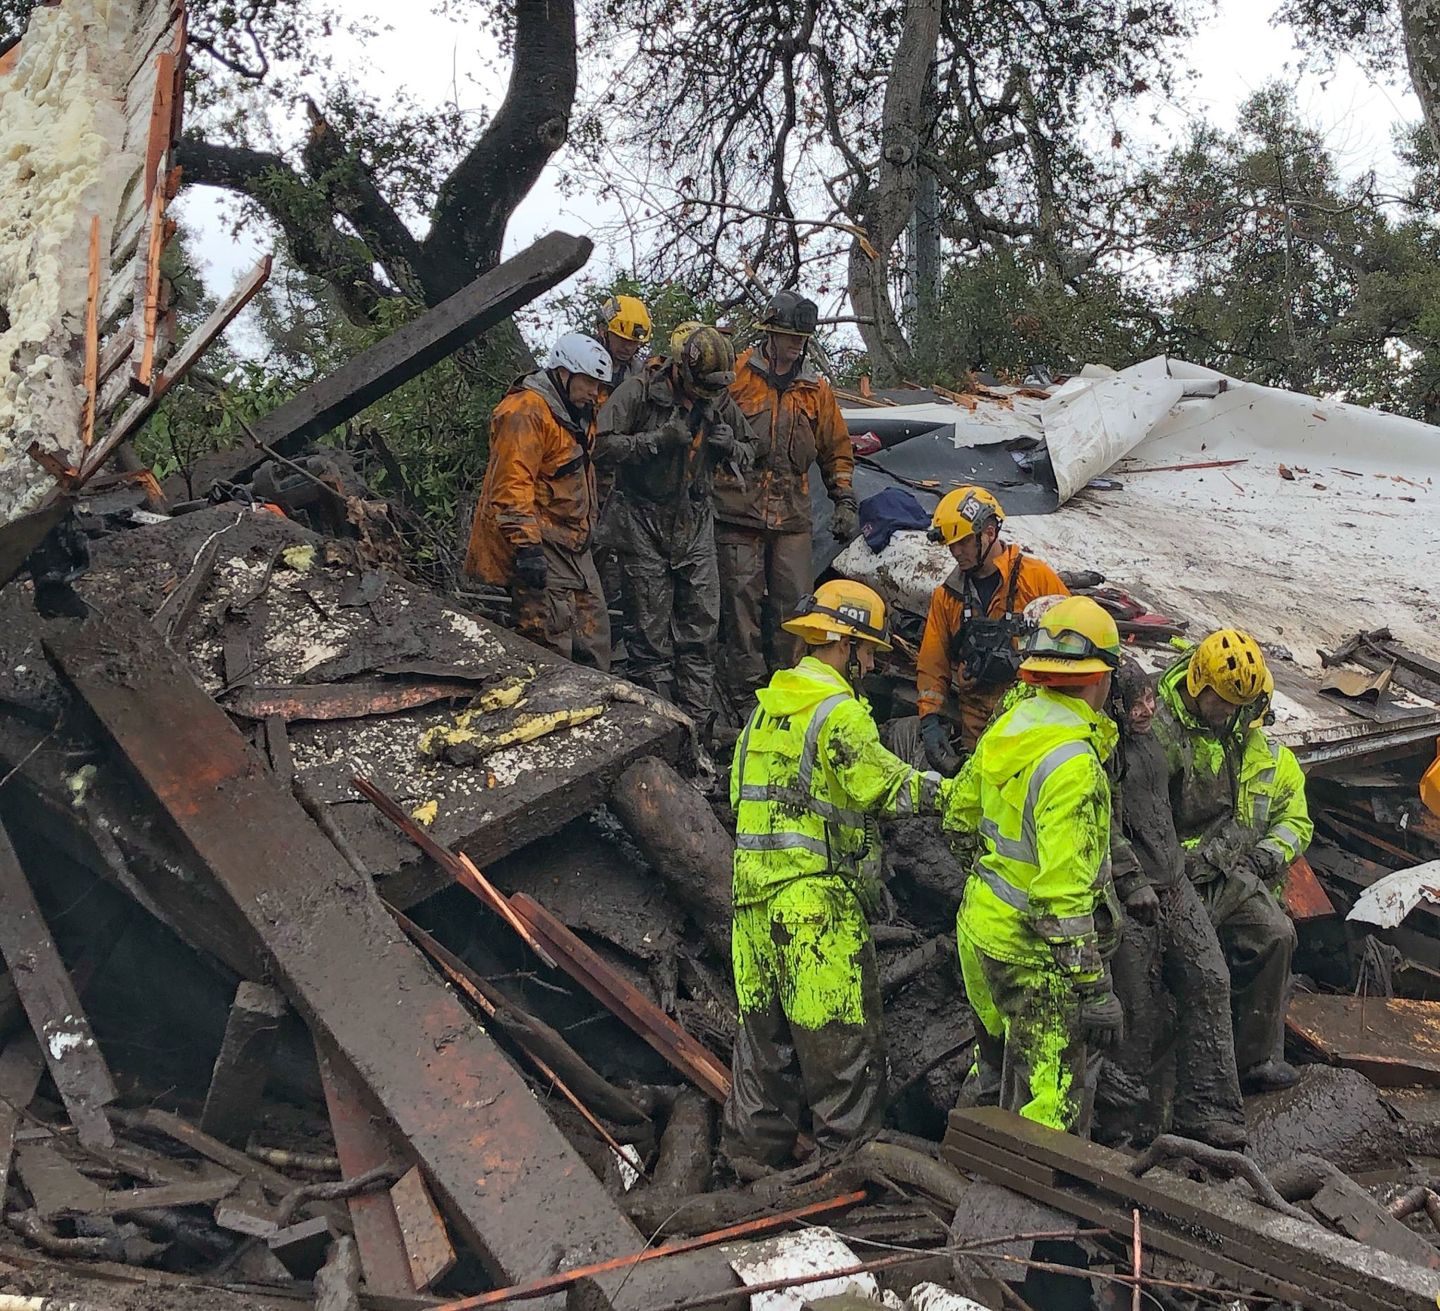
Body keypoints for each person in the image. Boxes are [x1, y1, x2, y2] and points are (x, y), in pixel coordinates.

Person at [723, 581, 946, 1166]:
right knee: (842, 1052)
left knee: (763, 1051)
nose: (870, 666)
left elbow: (739, 796)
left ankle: (750, 1165)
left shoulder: (764, 711)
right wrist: (960, 795)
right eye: (867, 652)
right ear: (843, 646)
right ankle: (845, 1177)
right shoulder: (839, 712)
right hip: (813, 908)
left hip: (751, 907)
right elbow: (885, 786)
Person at [944, 596, 1124, 1135]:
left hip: (980, 932)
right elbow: (1060, 904)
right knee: (1050, 1111)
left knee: (993, 1066)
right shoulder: (1074, 765)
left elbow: (957, 818)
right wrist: (1094, 988)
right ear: (1101, 679)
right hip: (1033, 959)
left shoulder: (1012, 726)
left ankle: (964, 1161)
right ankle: (1014, 1190)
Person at [1154, 629, 1312, 1092]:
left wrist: (1263, 858)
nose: (1228, 713)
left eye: (1237, 706)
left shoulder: (1247, 732)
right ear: (1198, 683)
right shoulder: (1162, 731)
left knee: (1276, 934)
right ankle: (1177, 1073)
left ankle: (1255, 1060)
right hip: (1176, 873)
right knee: (1195, 967)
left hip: (1230, 867)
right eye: (1222, 703)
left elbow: (1292, 819)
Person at [1104, 660, 1248, 1149]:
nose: (1147, 710)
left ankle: (1208, 1108)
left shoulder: (1152, 741)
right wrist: (1130, 880)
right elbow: (1102, 823)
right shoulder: (1105, 751)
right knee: (1137, 1005)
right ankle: (1120, 1123)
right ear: (1115, 706)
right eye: (1136, 704)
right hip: (1133, 893)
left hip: (1174, 881)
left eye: (1151, 699)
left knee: (1211, 978)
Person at [595, 326, 758, 725]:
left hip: (695, 520)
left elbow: (753, 449)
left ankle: (699, 725)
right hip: (641, 519)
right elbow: (601, 445)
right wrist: (656, 440)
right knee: (648, 635)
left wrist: (731, 446)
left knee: (701, 630)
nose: (705, 396)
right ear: (682, 368)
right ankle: (660, 726)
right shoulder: (638, 391)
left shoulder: (718, 397)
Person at [716, 291, 857, 706]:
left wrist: (844, 500)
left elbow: (837, 450)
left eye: (802, 339)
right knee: (739, 609)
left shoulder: (815, 390)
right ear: (770, 334)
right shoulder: (735, 377)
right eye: (790, 337)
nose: (797, 345)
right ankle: (745, 701)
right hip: (737, 515)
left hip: (792, 518)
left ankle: (788, 696)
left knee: (794, 610)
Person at [464, 333, 613, 667]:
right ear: (564, 373)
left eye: (599, 385)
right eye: (590, 382)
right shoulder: (525, 411)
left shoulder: (579, 411)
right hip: (540, 541)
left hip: (574, 543)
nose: (595, 392)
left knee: (595, 639)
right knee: (551, 643)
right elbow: (511, 486)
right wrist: (528, 550)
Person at [917, 487, 1068, 775]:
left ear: (988, 533)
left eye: (963, 542)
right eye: (951, 545)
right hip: (976, 731)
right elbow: (932, 664)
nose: (955, 552)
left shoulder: (1036, 579)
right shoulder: (947, 596)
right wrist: (930, 721)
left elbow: (1074, 639)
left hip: (1031, 724)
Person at [594, 294, 652, 397]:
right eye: (621, 339)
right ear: (603, 330)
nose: (628, 347)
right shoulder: (579, 360)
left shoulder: (640, 374)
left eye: (634, 342)